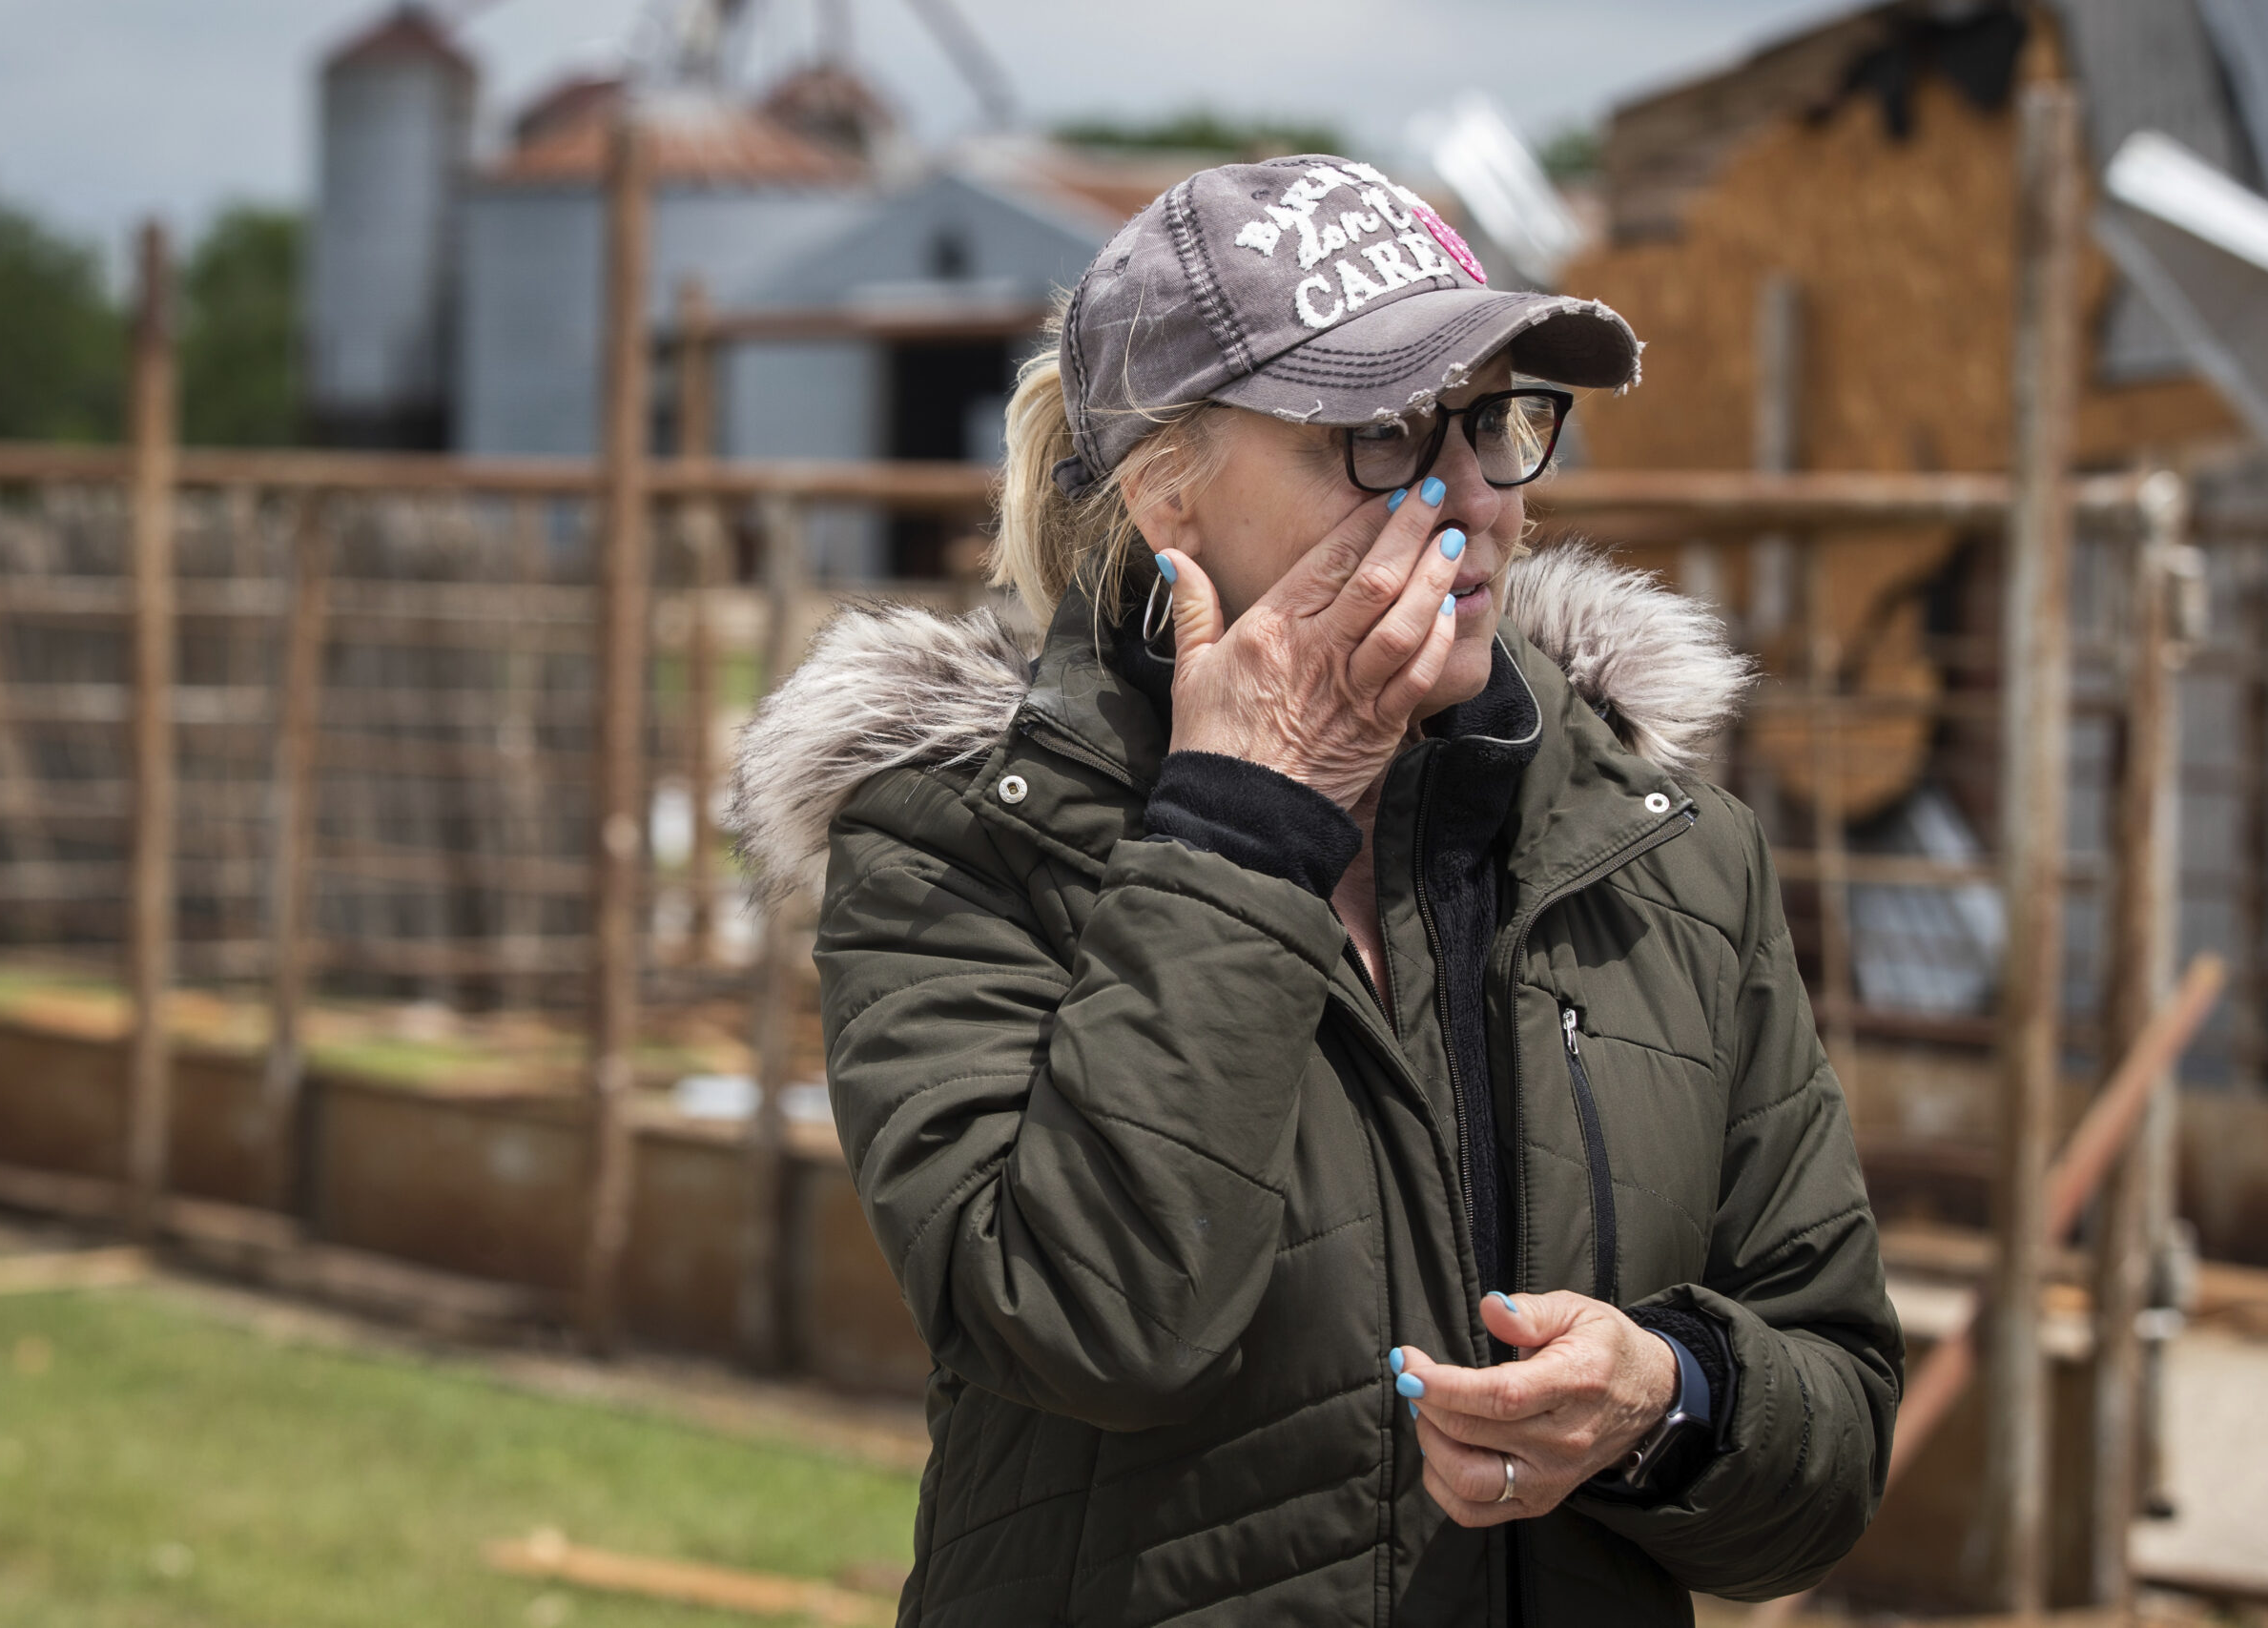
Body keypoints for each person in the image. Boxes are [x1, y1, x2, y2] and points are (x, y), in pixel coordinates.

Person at [731, 155, 1902, 1627]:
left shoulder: (1666, 849)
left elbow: (1837, 1419)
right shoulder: (963, 840)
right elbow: (1092, 1323)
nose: (1471, 496)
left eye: (1493, 421)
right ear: (1169, 494)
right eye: (1382, 432)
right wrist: (1249, 811)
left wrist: (1673, 1398)